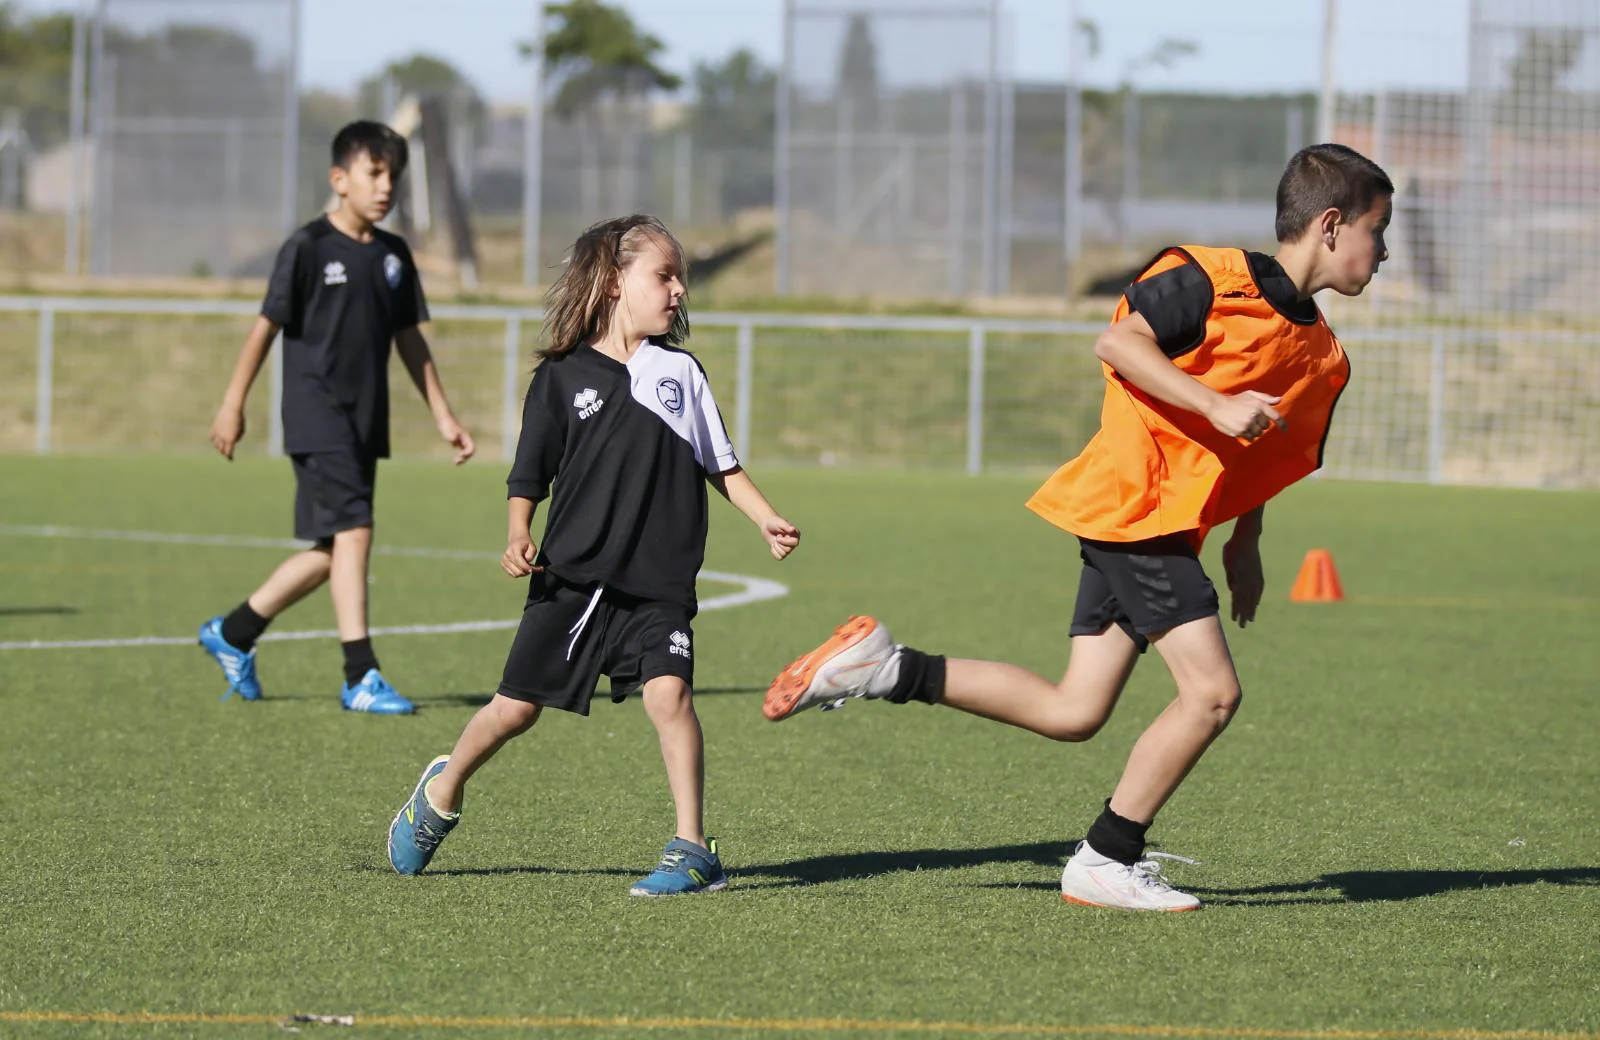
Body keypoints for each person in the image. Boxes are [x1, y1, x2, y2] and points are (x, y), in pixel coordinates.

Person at [762, 143, 1393, 912]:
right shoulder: (1207, 278)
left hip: (1165, 527)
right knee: (1212, 696)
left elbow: (1261, 445)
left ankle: (885, 667)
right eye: (1377, 230)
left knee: (1075, 710)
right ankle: (1107, 857)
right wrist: (1214, 403)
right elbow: (1119, 344)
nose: (1383, 251)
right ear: (1330, 225)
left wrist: (1247, 539)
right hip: (1136, 509)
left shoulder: (1322, 354)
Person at [386, 214, 801, 896]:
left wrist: (765, 518)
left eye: (681, 281)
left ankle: (693, 848)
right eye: (663, 276)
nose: (677, 292)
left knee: (670, 696)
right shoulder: (558, 378)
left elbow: (720, 464)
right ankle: (442, 790)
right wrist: (518, 529)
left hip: (659, 580)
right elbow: (530, 473)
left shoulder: (682, 374)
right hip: (574, 577)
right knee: (515, 709)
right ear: (614, 282)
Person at [198, 120, 476, 715]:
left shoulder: (395, 257)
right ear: (339, 178)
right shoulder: (307, 248)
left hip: (364, 421)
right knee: (355, 532)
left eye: (393, 176)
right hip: (314, 413)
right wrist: (231, 402)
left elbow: (410, 341)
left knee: (334, 550)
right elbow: (264, 328)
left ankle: (235, 631)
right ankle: (361, 675)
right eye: (374, 173)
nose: (385, 187)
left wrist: (444, 415)